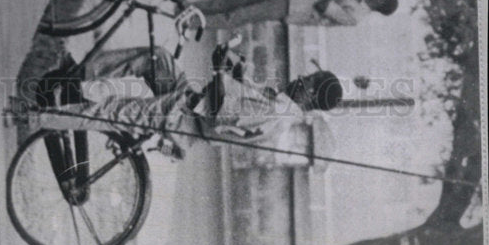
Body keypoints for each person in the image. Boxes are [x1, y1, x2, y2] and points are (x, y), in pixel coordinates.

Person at [27, 42, 344, 161]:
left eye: (309, 81)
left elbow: (221, 111)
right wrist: (238, 68)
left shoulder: (277, 113)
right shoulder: (279, 102)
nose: (301, 77)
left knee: (112, 111)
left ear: (312, 97)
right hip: (189, 102)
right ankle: (75, 80)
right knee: (157, 57)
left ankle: (32, 118)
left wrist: (221, 68)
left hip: (182, 121)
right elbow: (234, 93)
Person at [189, 0, 400, 31]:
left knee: (237, 15)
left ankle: (191, 22)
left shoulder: (355, 17)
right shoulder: (359, 1)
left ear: (382, 2)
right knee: (236, 0)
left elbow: (323, 4)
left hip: (292, 6)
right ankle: (188, 7)